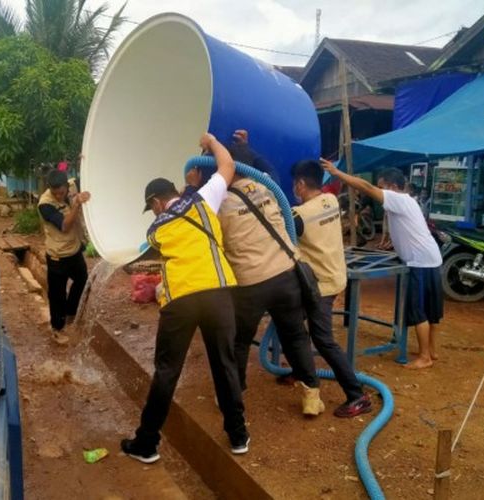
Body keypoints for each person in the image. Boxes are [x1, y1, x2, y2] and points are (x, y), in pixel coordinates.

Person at [121, 133, 249, 464]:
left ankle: (146, 443)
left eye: (151, 209)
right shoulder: (205, 199)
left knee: (167, 371)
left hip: (182, 300)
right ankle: (238, 436)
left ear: (155, 204)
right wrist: (211, 140)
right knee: (225, 364)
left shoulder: (156, 229)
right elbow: (228, 164)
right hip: (219, 292)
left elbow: (173, 231)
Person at [187, 130, 325, 416]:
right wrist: (246, 147)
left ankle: (234, 394)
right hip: (287, 275)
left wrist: (191, 187)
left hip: (250, 284)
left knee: (237, 341)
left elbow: (189, 218)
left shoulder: (215, 204)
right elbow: (268, 167)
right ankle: (312, 396)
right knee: (296, 336)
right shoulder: (266, 186)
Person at [321, 160, 443, 369]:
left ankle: (425, 357)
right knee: (431, 311)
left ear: (393, 187)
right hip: (431, 259)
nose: (379, 191)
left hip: (419, 262)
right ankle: (431, 350)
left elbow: (365, 187)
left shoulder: (397, 199)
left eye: (382, 186)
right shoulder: (409, 201)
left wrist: (337, 173)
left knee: (418, 310)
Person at [292, 160, 372, 417]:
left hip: (321, 286)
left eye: (295, 183)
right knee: (292, 325)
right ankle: (301, 371)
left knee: (323, 340)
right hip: (335, 276)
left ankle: (357, 396)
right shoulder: (331, 201)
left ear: (301, 184)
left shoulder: (299, 216)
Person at [37, 170, 91, 343]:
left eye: (62, 192)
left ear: (67, 186)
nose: (59, 196)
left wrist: (85, 158)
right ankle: (57, 328)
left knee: (82, 279)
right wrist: (76, 205)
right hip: (57, 256)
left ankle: (70, 312)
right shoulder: (45, 204)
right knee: (57, 294)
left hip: (74, 250)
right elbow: (65, 226)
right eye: (55, 193)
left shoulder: (72, 185)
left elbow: (90, 176)